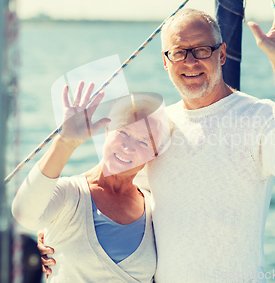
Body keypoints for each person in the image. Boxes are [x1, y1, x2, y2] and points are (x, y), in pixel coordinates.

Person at [40, 0, 275, 282]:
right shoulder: (157, 128)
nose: (190, 61)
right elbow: (110, 189)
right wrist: (53, 230)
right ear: (165, 61)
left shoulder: (257, 116)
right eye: (179, 52)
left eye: (201, 50)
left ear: (222, 54)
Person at [12, 82, 170, 282]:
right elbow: (24, 214)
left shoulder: (154, 207)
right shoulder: (70, 193)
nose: (128, 147)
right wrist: (66, 142)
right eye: (123, 132)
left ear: (154, 154)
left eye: (143, 142)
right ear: (106, 130)